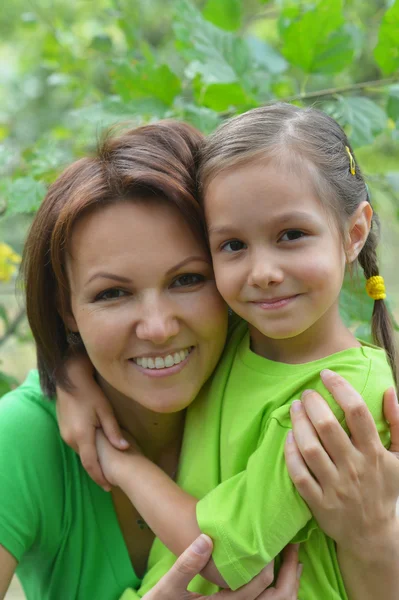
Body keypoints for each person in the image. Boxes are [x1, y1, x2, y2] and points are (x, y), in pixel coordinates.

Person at [55, 110, 399, 599]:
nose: (262, 272)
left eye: (291, 235)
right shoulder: (239, 338)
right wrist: (72, 374)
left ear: (354, 232)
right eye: (233, 244)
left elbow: (222, 553)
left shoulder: (340, 396)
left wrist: (120, 463)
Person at [0, 122, 303, 600]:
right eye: (112, 293)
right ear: (66, 308)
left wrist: (376, 532)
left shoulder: (289, 403)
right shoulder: (21, 437)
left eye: (187, 280)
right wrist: (63, 370)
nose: (157, 328)